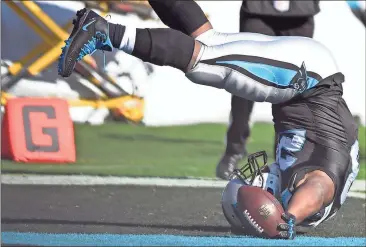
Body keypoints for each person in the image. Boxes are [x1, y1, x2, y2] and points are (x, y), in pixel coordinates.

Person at [57, 5, 359, 240]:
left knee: (205, 40)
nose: (256, 176)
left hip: (303, 76)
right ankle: (106, 32)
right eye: (255, 186)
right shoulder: (312, 194)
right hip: (307, 78)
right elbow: (319, 188)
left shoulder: (299, 190)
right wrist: (289, 217)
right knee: (206, 64)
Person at [218, 0, 321, 180]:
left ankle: (286, 155)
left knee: (294, 84)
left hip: (300, 11)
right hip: (258, 9)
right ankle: (233, 150)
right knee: (246, 77)